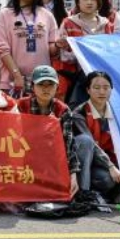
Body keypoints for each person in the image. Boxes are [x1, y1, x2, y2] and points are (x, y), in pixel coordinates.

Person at [0, 0, 59, 97]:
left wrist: (58, 45)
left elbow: (52, 49)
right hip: (12, 83)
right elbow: (0, 48)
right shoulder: (5, 14)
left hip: (41, 83)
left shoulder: (47, 15)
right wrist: (17, 75)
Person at [19, 65, 80, 201]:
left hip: (52, 164)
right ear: (32, 86)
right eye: (41, 84)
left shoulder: (63, 110)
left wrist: (73, 175)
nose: (45, 88)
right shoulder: (20, 106)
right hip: (25, 161)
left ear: (57, 87)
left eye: (50, 84)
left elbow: (68, 145)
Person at [71, 71, 120, 203]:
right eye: (96, 87)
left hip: (106, 163)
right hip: (85, 163)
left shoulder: (119, 112)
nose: (102, 92)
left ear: (111, 90)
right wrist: (111, 166)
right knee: (86, 141)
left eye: (106, 87)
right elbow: (91, 145)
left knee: (109, 179)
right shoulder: (79, 113)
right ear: (88, 90)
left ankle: (108, 192)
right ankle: (83, 193)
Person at [55, 0, 114, 105]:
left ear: (98, 2)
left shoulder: (105, 24)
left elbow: (110, 51)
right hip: (74, 78)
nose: (89, 2)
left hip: (100, 78)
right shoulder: (68, 23)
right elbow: (64, 56)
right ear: (78, 1)